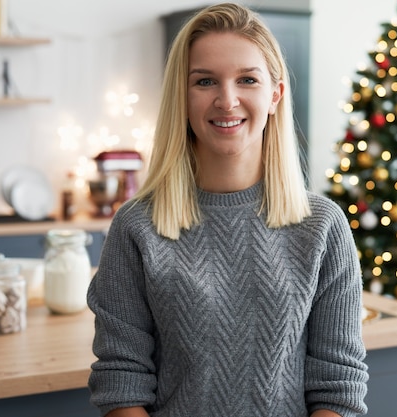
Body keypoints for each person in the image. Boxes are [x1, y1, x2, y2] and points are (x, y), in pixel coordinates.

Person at [87, 3, 369, 417]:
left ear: (275, 95)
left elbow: (338, 387)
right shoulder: (137, 227)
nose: (227, 99)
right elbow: (121, 381)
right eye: (205, 81)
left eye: (247, 80)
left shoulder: (322, 226)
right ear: (181, 98)